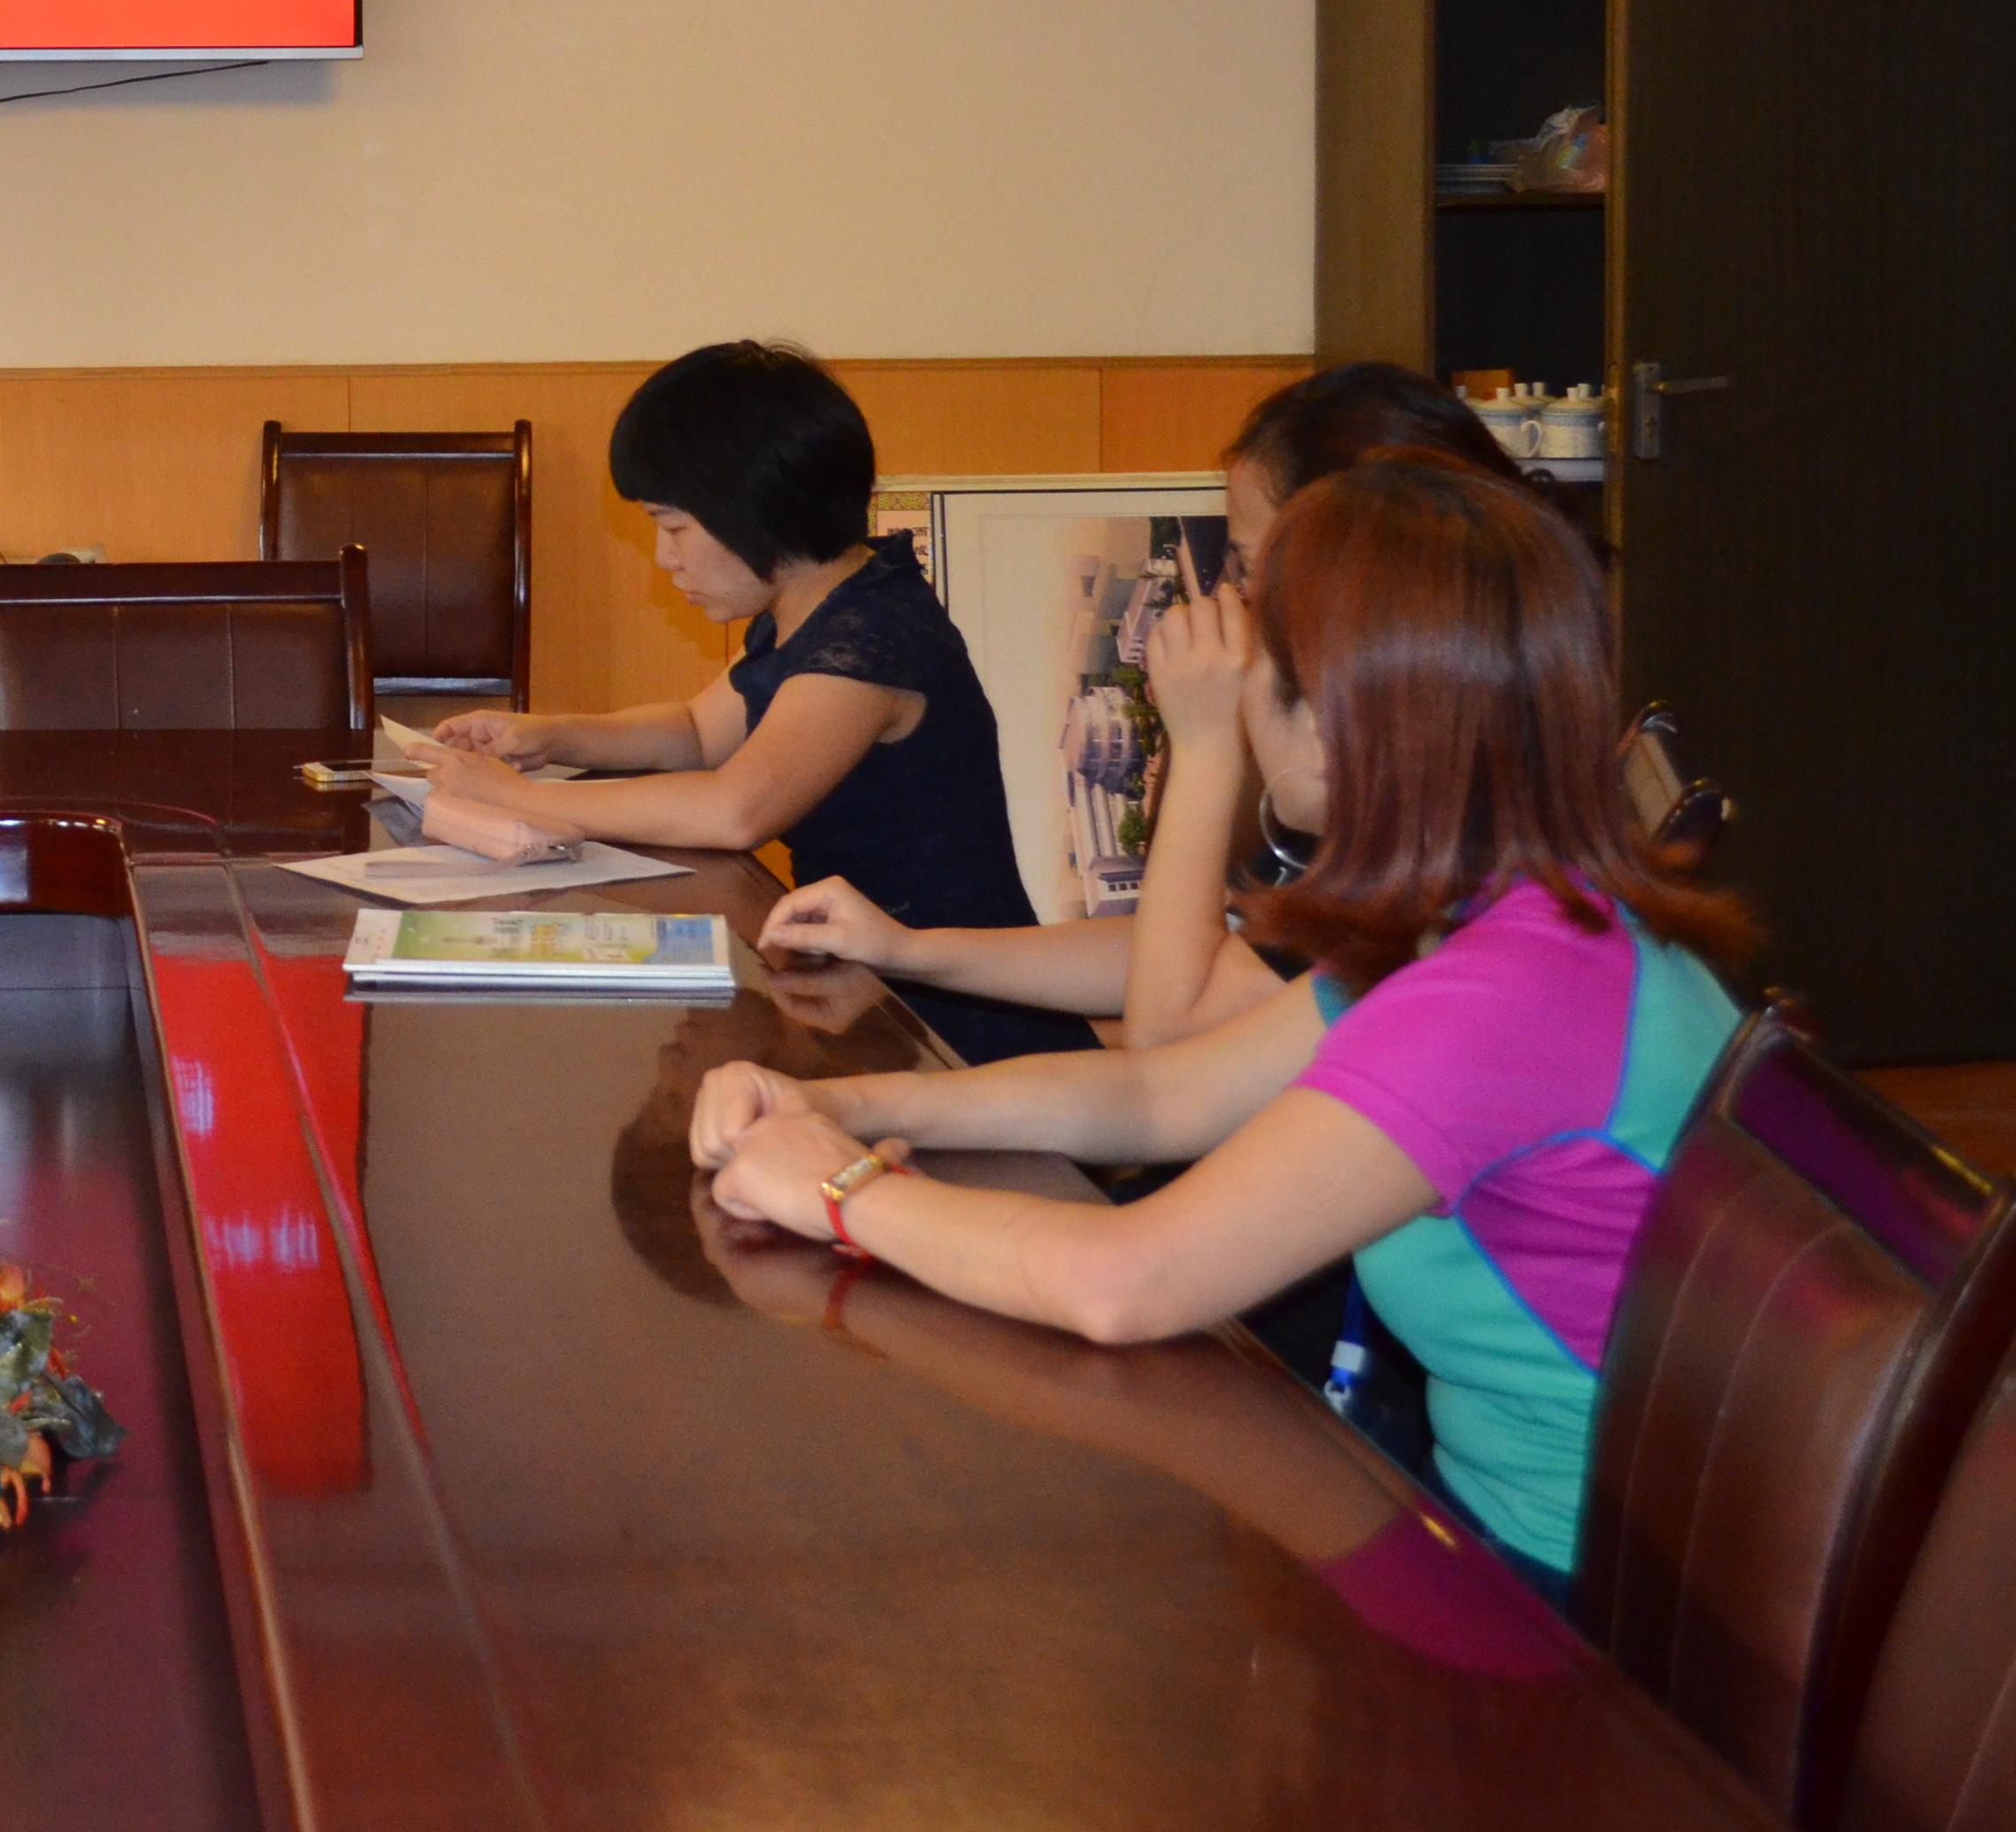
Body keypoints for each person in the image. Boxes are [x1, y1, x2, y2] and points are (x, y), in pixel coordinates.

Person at [691, 452, 1751, 1589]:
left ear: (1334, 718)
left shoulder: (1500, 991)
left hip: (1558, 1606)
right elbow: (1164, 1095)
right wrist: (835, 1104)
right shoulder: (1504, 916)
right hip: (1510, 1542)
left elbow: (1123, 1283)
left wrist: (842, 1197)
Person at [757, 362, 1533, 1048]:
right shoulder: (1353, 760)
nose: (1236, 595)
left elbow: (1171, 1035)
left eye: (1252, 564)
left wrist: (1204, 748)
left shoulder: (1440, 812)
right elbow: (1185, 947)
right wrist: (905, 949)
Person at [422, 340, 1092, 1064]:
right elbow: (697, 731)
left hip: (946, 1016)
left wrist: (523, 803)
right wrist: (553, 737)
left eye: (673, 526)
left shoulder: (871, 639)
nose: (663, 556)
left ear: (755, 509)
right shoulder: (812, 611)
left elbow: (735, 809)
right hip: (858, 974)